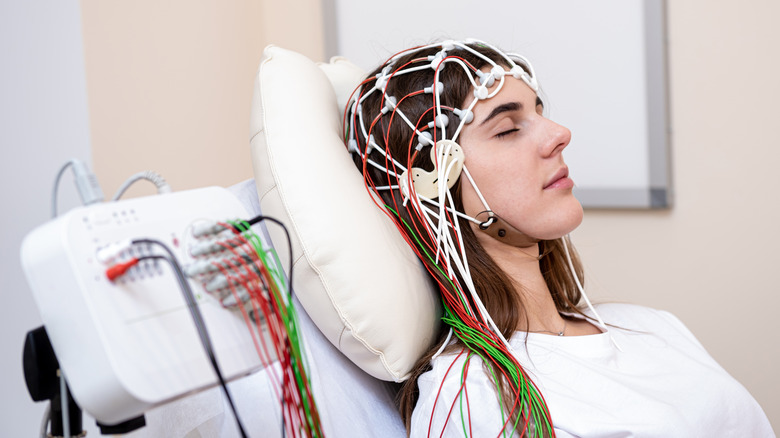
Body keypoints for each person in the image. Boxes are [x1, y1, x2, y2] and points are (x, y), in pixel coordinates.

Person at [344, 39, 774, 437]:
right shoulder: (475, 397)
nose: (558, 133)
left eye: (539, 111)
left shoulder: (650, 326)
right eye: (508, 128)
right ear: (430, 184)